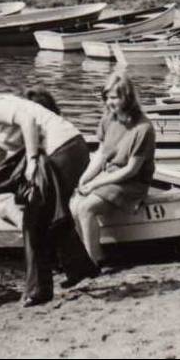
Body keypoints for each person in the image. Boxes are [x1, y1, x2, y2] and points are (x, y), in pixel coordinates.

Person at [0, 70, 97, 306]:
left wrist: (31, 160)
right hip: (66, 149)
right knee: (49, 215)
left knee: (34, 219)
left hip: (64, 149)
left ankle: (39, 289)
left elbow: (27, 121)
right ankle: (79, 268)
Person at [70, 71, 156, 268]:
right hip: (109, 176)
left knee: (86, 207)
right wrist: (84, 179)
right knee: (73, 205)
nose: (110, 102)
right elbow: (100, 154)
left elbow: (131, 170)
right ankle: (94, 254)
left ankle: (91, 262)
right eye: (108, 97)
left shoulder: (143, 128)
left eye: (115, 97)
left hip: (131, 183)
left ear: (127, 97)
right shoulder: (108, 119)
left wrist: (96, 183)